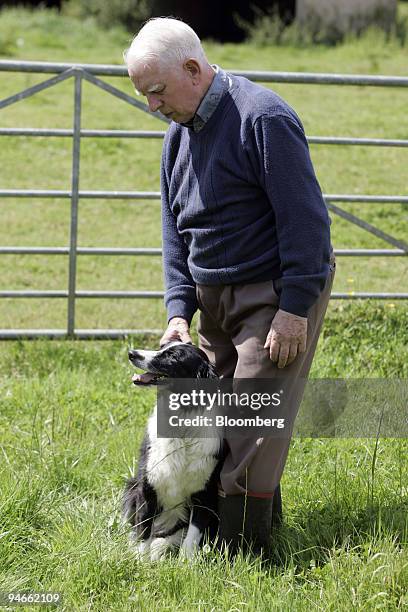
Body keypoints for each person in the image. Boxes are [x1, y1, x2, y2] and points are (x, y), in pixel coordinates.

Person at [124, 17, 335, 555]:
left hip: (273, 292)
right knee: (212, 424)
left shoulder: (262, 118)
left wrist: (294, 310)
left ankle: (243, 553)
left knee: (249, 424)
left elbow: (306, 222)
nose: (152, 106)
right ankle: (202, 533)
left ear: (192, 69)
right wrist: (179, 313)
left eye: (155, 91)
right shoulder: (179, 136)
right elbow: (176, 231)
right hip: (214, 298)